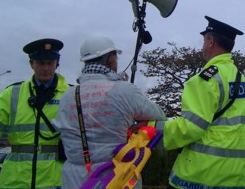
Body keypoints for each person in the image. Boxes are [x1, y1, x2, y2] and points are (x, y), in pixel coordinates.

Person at [131, 16, 245, 188]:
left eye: (204, 40)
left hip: (199, 176)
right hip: (235, 177)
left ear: (210, 41)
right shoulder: (242, 81)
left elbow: (190, 128)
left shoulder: (205, 79)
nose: (202, 45)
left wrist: (151, 128)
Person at [53, 35, 167, 189]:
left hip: (74, 179)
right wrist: (143, 122)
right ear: (110, 59)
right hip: (117, 175)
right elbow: (160, 117)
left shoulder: (67, 96)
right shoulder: (125, 90)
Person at [0, 38, 70, 189]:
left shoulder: (70, 95)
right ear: (31, 64)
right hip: (15, 182)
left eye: (50, 63)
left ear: (57, 63)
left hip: (55, 182)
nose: (46, 68)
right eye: (41, 63)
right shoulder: (12, 94)